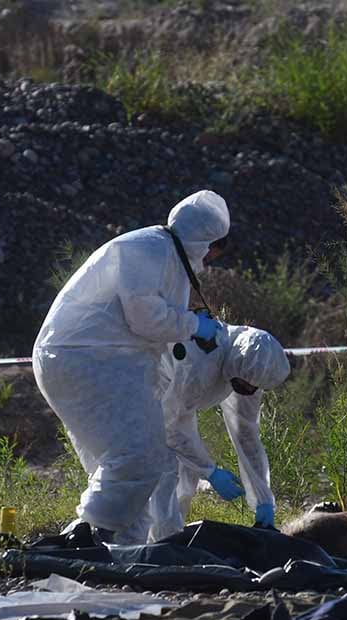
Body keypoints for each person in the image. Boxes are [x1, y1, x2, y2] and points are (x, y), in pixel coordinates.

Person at [33, 190, 230, 545]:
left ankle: (121, 550)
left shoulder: (167, 256)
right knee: (140, 456)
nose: (213, 258)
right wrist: (193, 325)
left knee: (130, 469)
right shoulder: (149, 249)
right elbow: (145, 317)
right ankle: (85, 538)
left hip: (100, 361)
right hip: (87, 359)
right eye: (216, 247)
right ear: (204, 239)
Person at [145, 324, 291, 541]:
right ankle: (149, 552)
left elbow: (246, 435)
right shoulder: (201, 364)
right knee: (163, 471)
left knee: (187, 473)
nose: (248, 391)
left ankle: (166, 542)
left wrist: (264, 500)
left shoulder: (248, 373)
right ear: (235, 365)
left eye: (254, 388)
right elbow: (172, 428)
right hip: (142, 388)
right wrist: (210, 471)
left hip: (172, 404)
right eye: (244, 384)